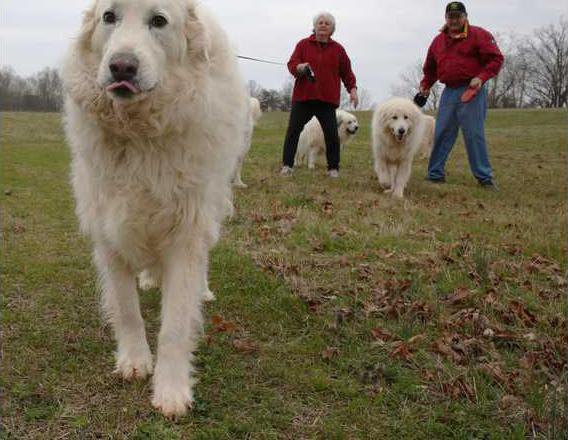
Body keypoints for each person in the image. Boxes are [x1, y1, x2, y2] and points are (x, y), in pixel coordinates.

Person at [419, 2, 504, 189]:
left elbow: (496, 59)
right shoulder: (438, 41)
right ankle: (435, 174)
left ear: (465, 17)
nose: (454, 20)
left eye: (458, 16)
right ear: (446, 18)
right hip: (449, 91)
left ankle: (484, 177)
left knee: (473, 134)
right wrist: (425, 85)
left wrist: (481, 78)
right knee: (441, 133)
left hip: (472, 91)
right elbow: (430, 69)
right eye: (451, 16)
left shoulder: (479, 35)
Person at [280, 12, 358, 178]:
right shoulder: (303, 45)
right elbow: (292, 64)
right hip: (304, 98)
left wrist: (353, 90)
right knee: (293, 131)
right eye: (320, 23)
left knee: (331, 135)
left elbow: (347, 72)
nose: (323, 25)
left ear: (332, 29)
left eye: (327, 23)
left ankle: (333, 168)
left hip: (326, 100)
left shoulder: (338, 49)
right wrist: (299, 67)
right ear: (314, 27)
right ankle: (287, 165)